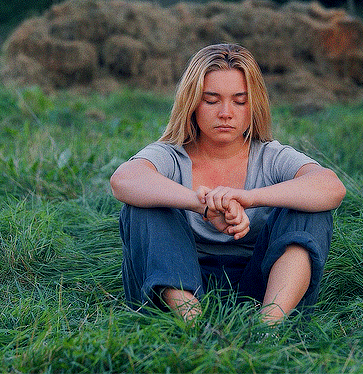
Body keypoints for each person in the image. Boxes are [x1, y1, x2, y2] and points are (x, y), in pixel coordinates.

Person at [111, 43, 346, 325]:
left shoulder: (270, 156)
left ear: (253, 105)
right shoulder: (170, 155)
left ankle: (267, 329)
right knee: (143, 205)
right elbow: (124, 179)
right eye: (211, 100)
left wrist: (250, 197)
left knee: (310, 209)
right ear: (192, 103)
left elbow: (331, 187)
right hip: (177, 290)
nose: (225, 112)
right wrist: (202, 205)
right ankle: (194, 328)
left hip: (259, 289)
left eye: (239, 101)